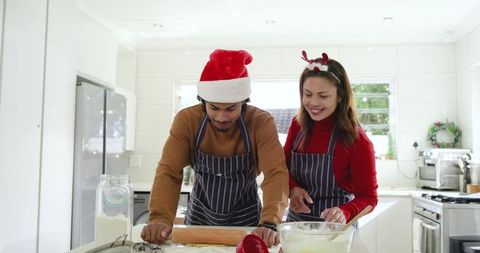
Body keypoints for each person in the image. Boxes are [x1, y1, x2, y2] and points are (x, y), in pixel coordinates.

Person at [141, 49, 289, 247]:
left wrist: (270, 222)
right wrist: (159, 218)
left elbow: (275, 173)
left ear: (243, 102)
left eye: (231, 109)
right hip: (198, 221)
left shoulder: (260, 123)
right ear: (203, 102)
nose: (222, 117)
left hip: (248, 224)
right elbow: (169, 171)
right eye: (214, 108)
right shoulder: (187, 121)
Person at [284, 50, 378, 223]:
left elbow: (369, 197)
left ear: (340, 96)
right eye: (307, 94)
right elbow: (281, 168)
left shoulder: (357, 140)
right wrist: (293, 188)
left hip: (336, 232)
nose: (313, 103)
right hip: (296, 226)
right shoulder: (297, 126)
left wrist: (345, 211)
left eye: (323, 96)